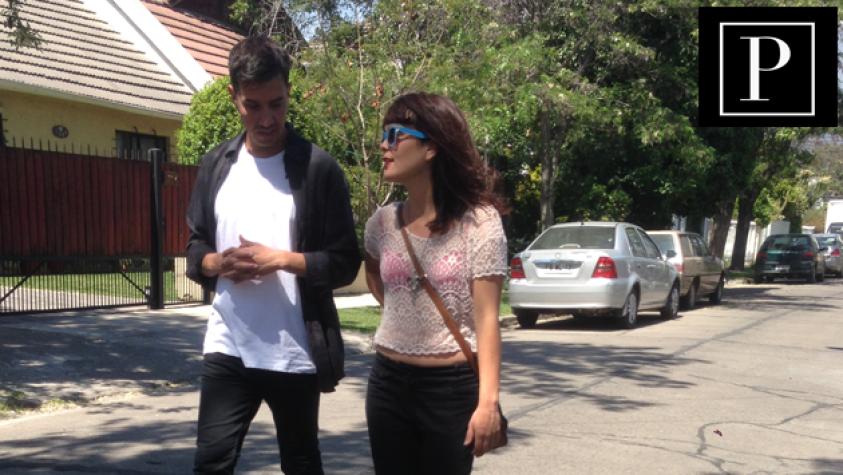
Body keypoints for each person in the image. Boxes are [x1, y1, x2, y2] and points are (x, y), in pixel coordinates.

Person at [186, 35, 361, 475]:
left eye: (277, 103)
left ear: (288, 92)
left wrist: (281, 260)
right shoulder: (217, 164)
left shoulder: (317, 169)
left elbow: (345, 261)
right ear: (234, 97)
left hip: (292, 349)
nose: (267, 118)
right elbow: (195, 247)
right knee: (210, 463)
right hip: (228, 344)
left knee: (300, 463)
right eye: (254, 105)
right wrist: (217, 264)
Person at [363, 92, 508, 474]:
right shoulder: (382, 223)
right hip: (388, 383)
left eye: (394, 135)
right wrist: (403, 312)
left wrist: (488, 403)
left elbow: (487, 321)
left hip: (450, 389)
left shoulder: (479, 223)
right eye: (383, 135)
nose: (384, 145)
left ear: (431, 148)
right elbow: (374, 272)